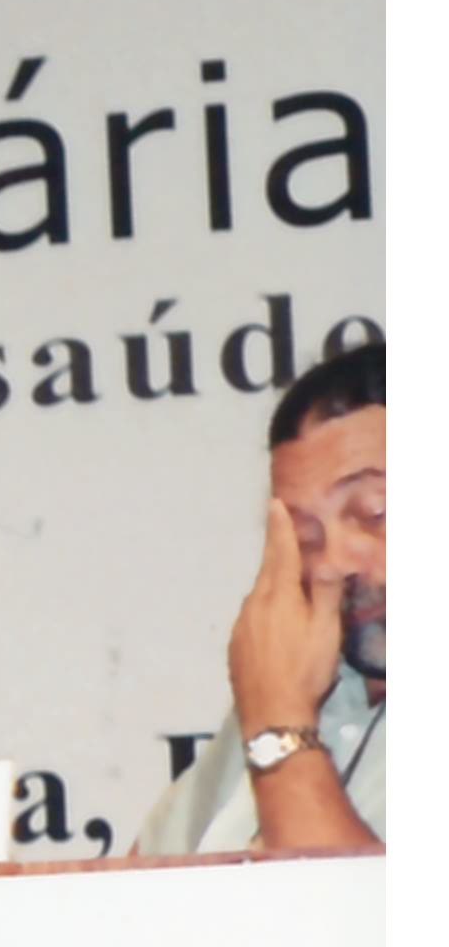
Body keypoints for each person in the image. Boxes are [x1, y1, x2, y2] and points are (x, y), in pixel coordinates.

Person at [135, 341, 386, 856]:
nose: (331, 563)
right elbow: (130, 891)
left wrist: (281, 732)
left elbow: (343, 908)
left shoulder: (279, 713)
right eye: (305, 538)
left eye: (374, 512)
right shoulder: (304, 689)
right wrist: (279, 715)